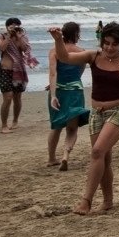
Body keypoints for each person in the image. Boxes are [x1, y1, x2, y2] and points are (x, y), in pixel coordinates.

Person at [49, 22, 119, 215]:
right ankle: (108, 201)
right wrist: (58, 40)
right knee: (103, 157)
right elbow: (65, 57)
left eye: (114, 44)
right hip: (97, 112)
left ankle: (85, 201)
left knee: (97, 152)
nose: (109, 48)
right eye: (106, 43)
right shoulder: (93, 56)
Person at [46, 22, 90, 169]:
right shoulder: (81, 51)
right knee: (72, 128)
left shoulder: (54, 51)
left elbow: (53, 73)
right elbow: (80, 71)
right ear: (76, 34)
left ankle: (52, 158)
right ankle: (65, 155)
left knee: (56, 126)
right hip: (75, 91)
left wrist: (53, 93)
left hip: (58, 90)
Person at [0, 17, 38, 133]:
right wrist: (9, 35)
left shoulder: (22, 37)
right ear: (7, 26)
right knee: (7, 97)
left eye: (16, 25)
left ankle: (15, 120)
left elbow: (25, 49)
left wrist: (19, 38)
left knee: (17, 97)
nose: (14, 28)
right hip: (5, 69)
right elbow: (2, 47)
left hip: (18, 70)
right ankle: (4, 125)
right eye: (11, 25)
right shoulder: (1, 36)